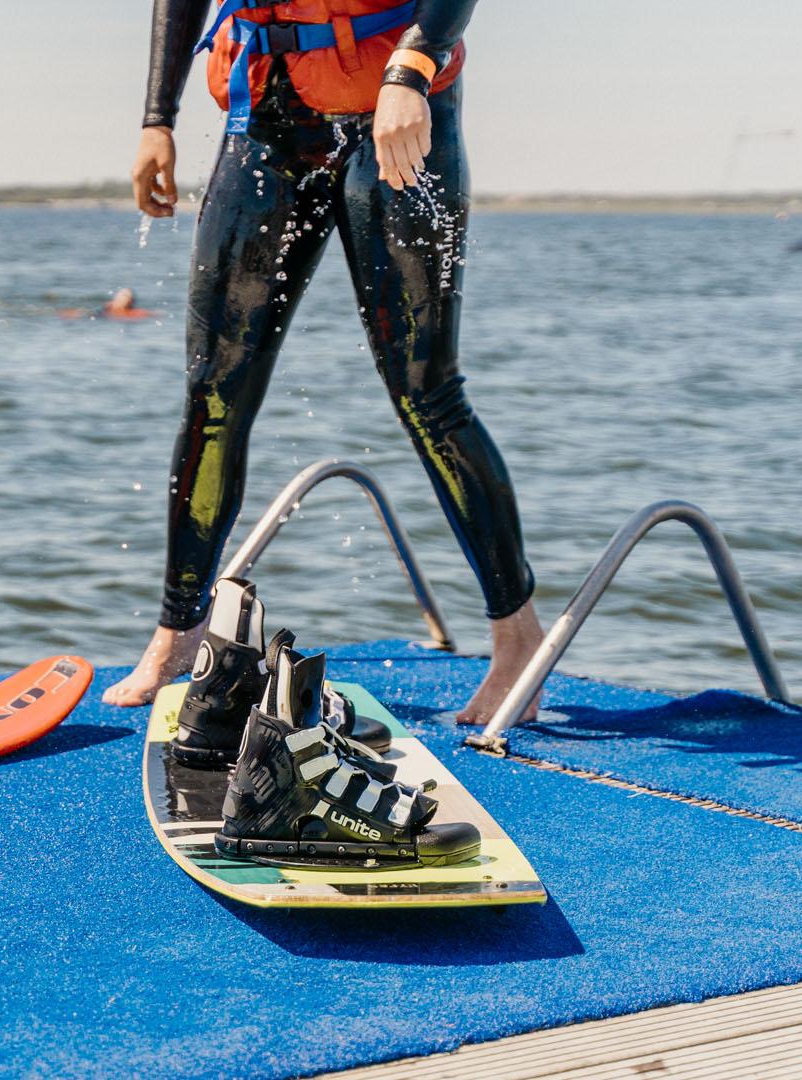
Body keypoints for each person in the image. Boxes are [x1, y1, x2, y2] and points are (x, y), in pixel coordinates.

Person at [101, 0, 544, 726]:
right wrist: (158, 117)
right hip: (266, 117)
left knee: (426, 391)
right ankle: (176, 636)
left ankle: (518, 643)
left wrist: (413, 63)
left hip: (396, 108)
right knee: (213, 394)